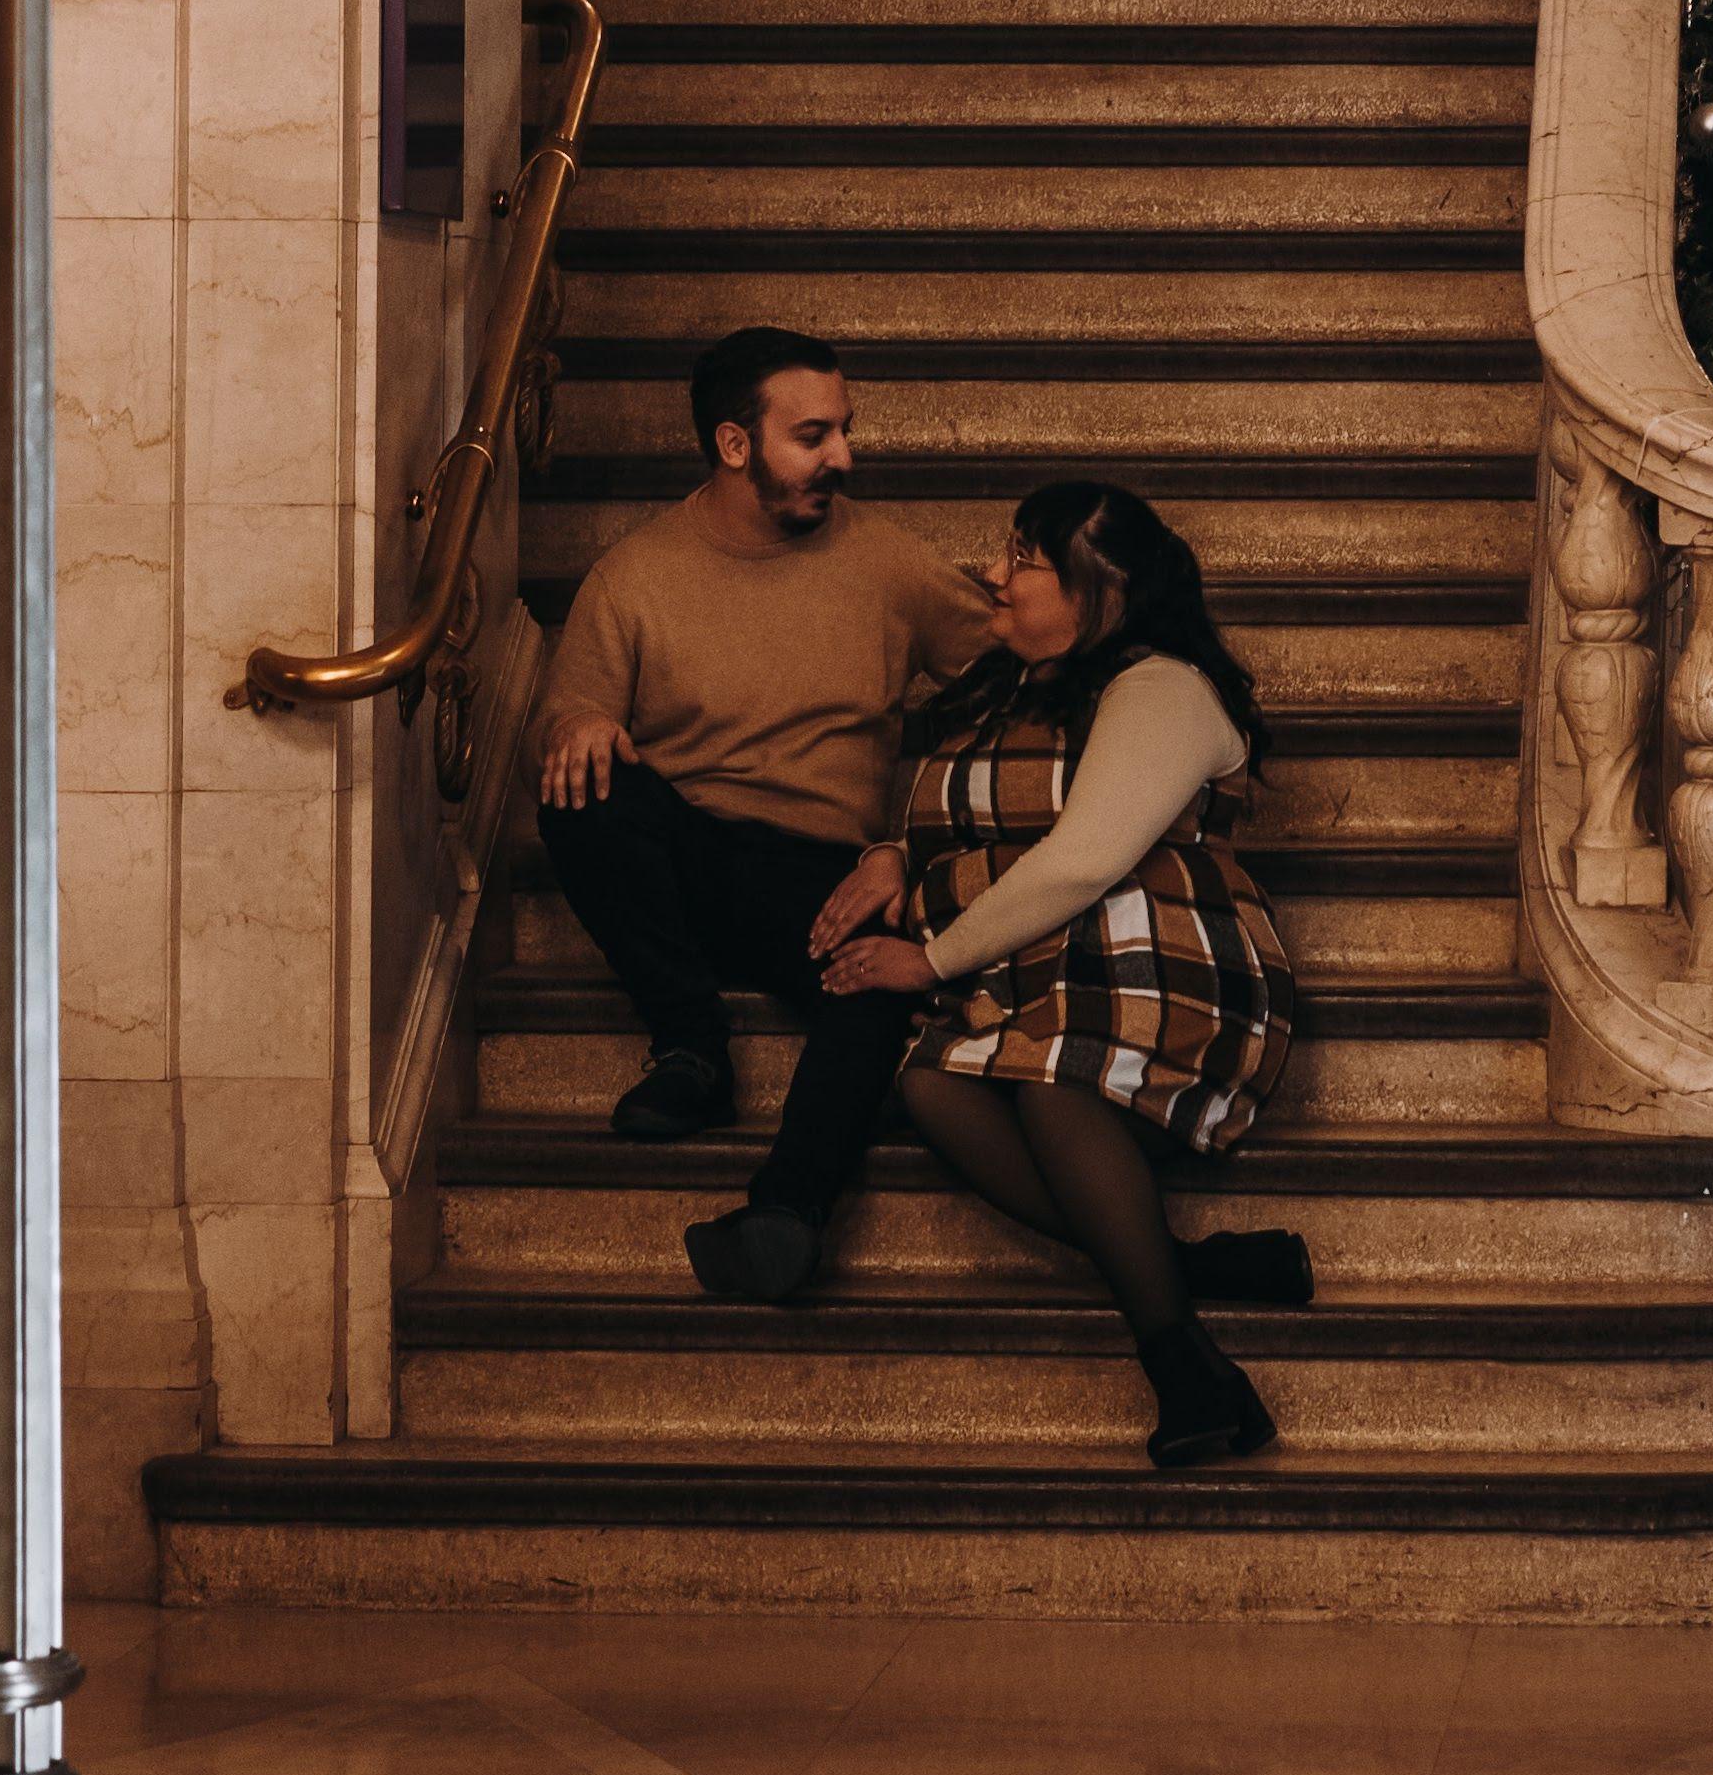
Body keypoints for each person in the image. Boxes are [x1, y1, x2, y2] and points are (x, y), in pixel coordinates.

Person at [688, 478, 1312, 1473]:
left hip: (1165, 960)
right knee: (933, 1085)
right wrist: (893, 854)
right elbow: (974, 822)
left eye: (1025, 558)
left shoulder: (1159, 686)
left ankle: (1186, 1367)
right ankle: (1185, 1263)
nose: (993, 572)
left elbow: (1080, 857)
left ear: (1102, 590)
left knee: (1051, 1084)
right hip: (1042, 974)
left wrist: (931, 956)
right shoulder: (1008, 691)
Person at [530, 325, 998, 1151]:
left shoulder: (889, 563)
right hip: (686, 869)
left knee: (880, 982)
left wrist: (904, 846)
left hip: (826, 881)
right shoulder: (633, 574)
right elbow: (567, 718)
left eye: (844, 429)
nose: (843, 457)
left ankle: (794, 1193)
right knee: (584, 790)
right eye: (813, 436)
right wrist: (581, 724)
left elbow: (1018, 684)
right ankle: (690, 1050)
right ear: (734, 444)